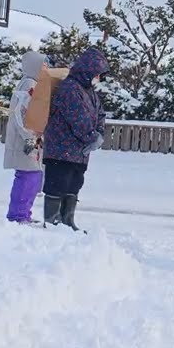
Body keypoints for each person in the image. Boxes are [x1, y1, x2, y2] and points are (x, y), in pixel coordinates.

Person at [42, 48, 109, 232]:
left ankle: (67, 221)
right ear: (87, 71)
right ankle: (52, 221)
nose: (98, 78)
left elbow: (100, 114)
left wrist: (99, 133)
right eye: (97, 74)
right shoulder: (70, 88)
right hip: (61, 149)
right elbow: (78, 118)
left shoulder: (89, 91)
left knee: (73, 184)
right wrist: (92, 136)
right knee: (57, 184)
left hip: (78, 151)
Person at [5, 50, 48, 224]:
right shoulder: (29, 84)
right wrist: (31, 136)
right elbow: (21, 113)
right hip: (28, 139)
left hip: (32, 137)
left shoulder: (33, 83)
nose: (46, 67)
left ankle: (24, 213)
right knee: (28, 176)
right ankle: (18, 214)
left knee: (34, 175)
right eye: (43, 64)